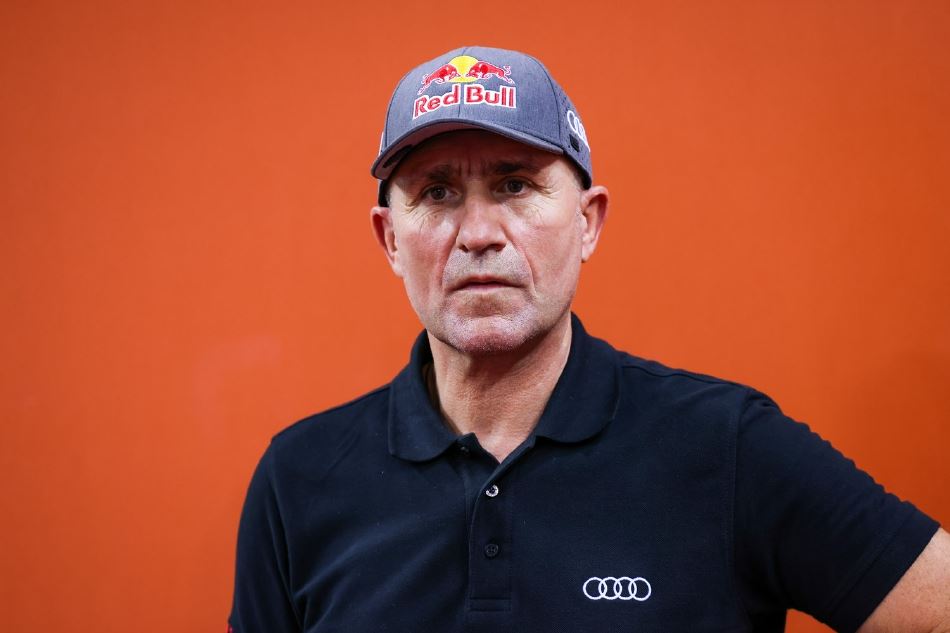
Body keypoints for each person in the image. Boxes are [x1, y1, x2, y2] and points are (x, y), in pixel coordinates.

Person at [228, 46, 949, 633]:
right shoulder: (299, 479)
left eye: (514, 185)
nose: (478, 234)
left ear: (588, 222)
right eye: (437, 193)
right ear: (390, 239)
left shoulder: (729, 448)